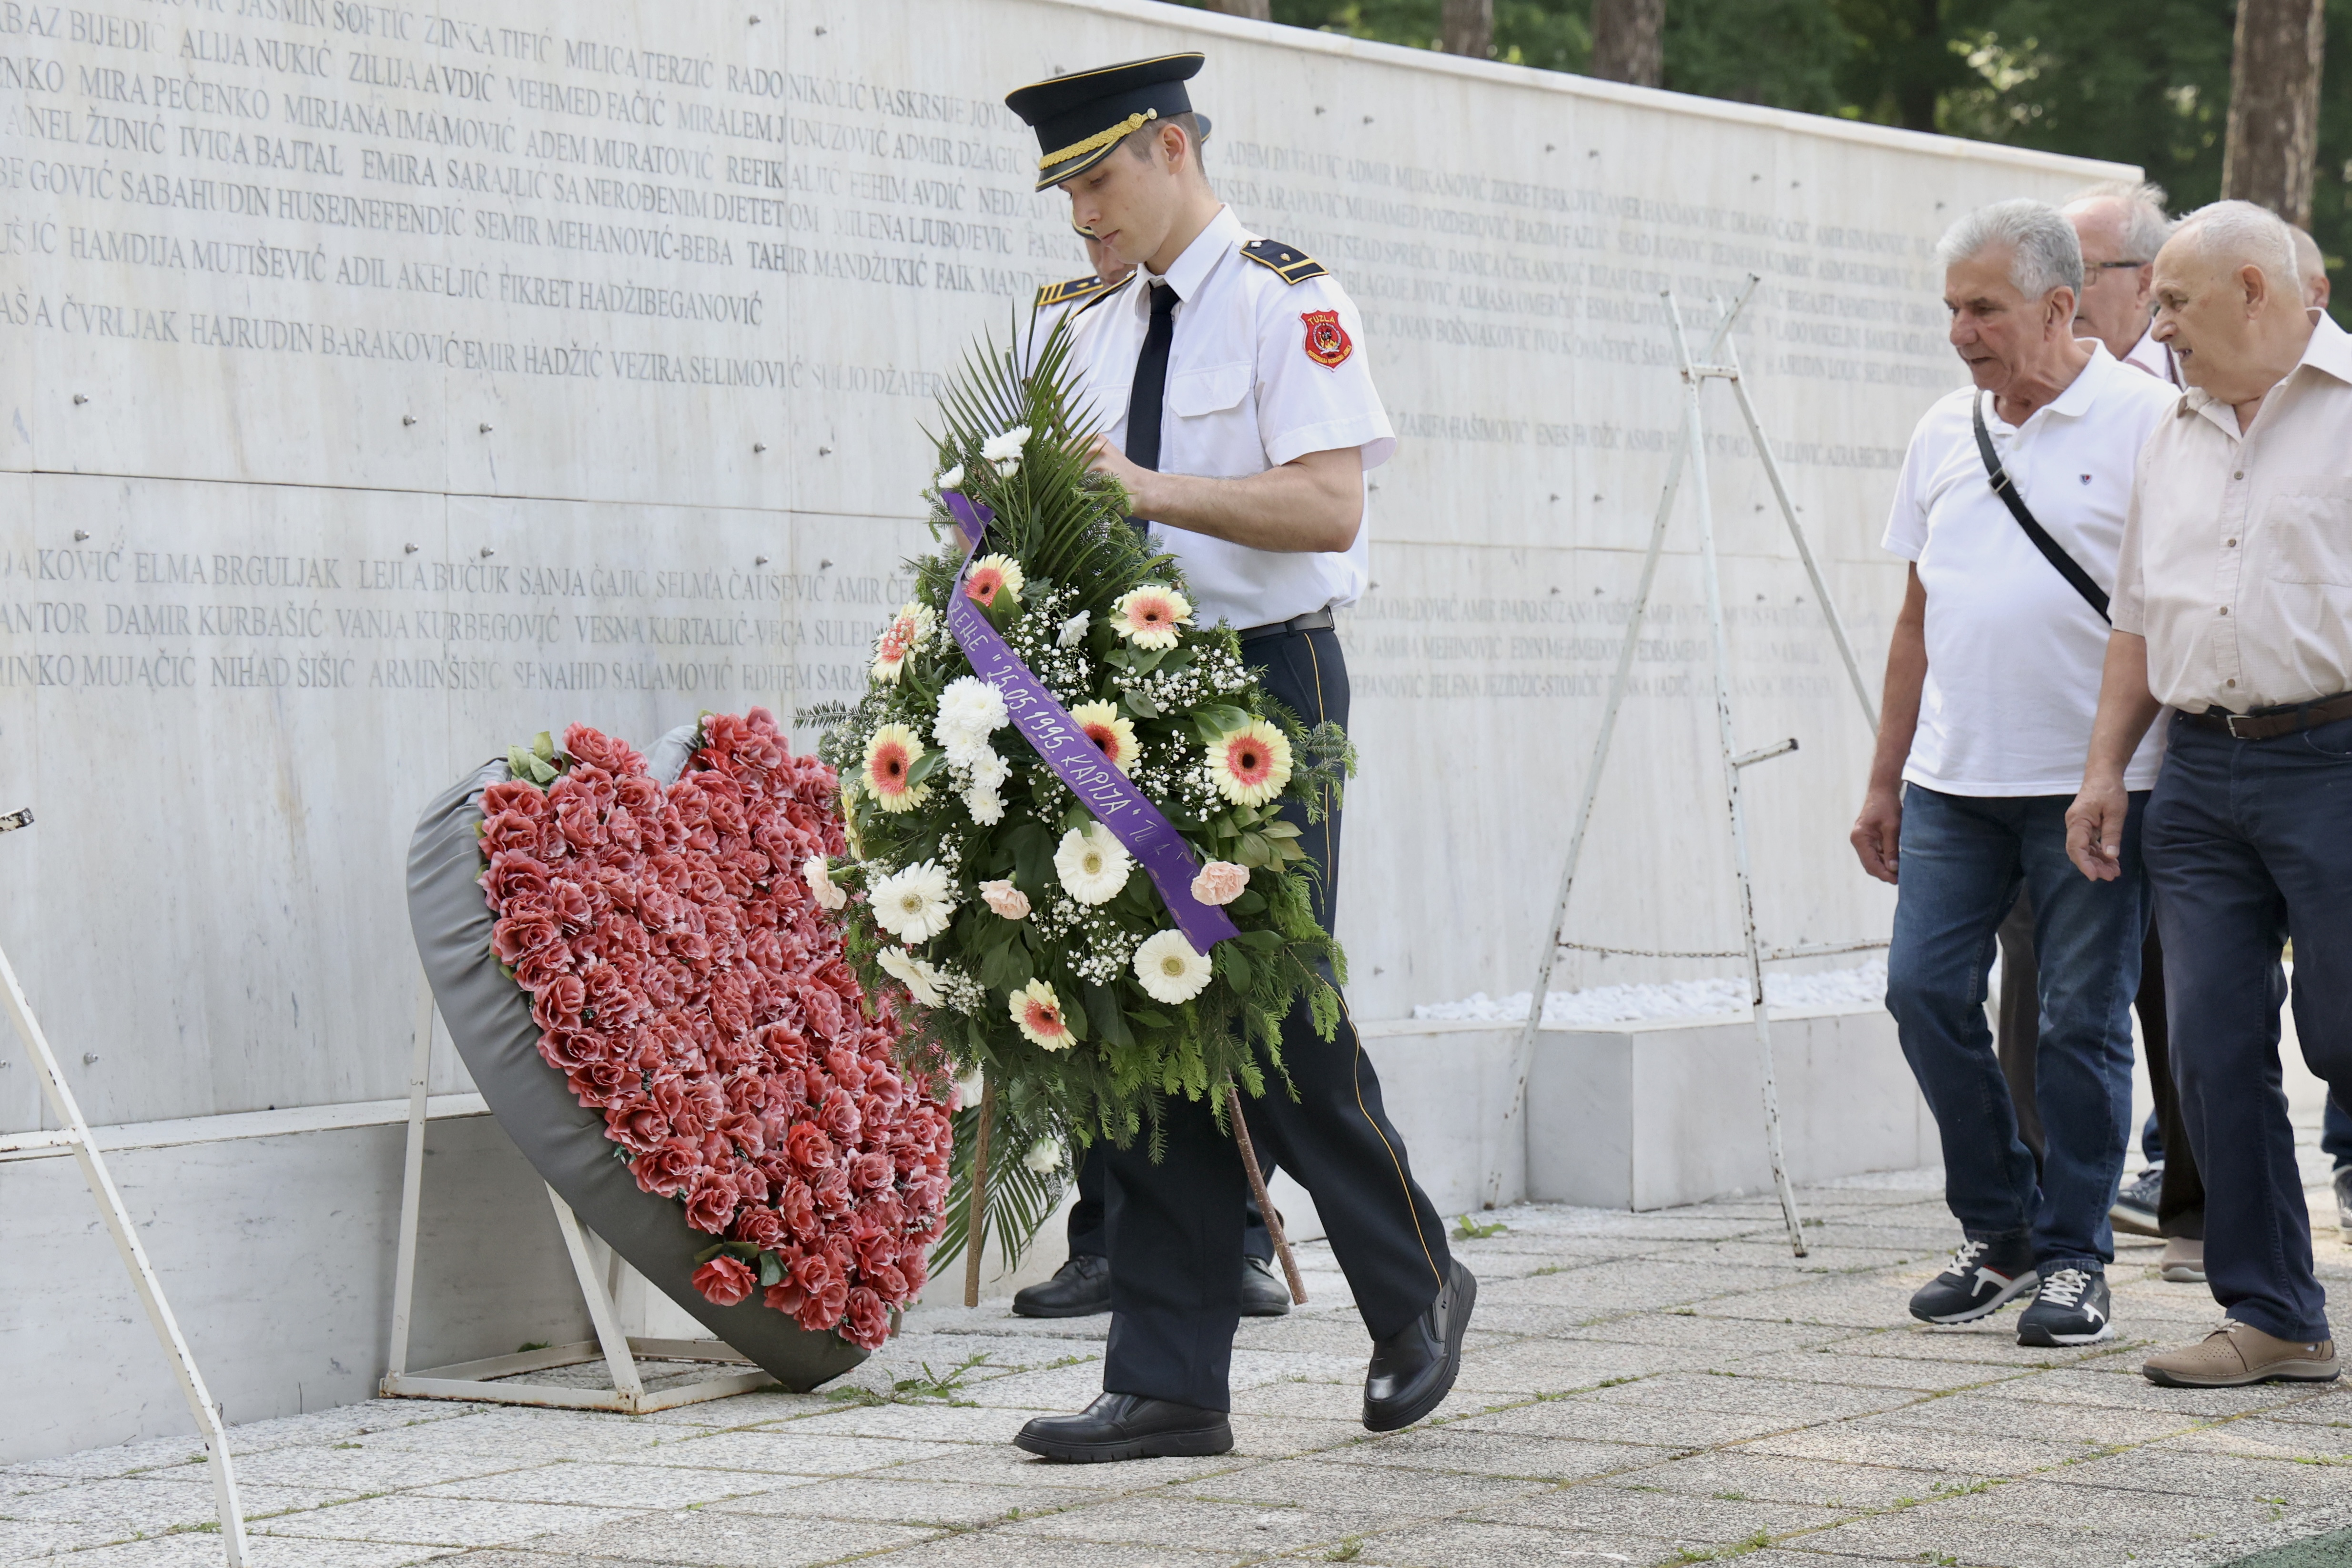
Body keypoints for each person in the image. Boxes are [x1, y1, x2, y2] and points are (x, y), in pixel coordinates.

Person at [996, 53, 1471, 1462]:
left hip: (1263, 681)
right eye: (1064, 194)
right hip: (1114, 698)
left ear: (1171, 151)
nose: (1080, 220)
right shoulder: (1072, 324)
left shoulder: (1286, 300)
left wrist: (1148, 490)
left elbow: (1327, 507)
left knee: (1271, 1014)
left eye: (1094, 183)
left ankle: (1414, 1284)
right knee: (1137, 1021)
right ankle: (1167, 1377)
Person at [1850, 199, 2174, 1347]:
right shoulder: (1944, 432)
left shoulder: (2148, 422)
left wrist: (2108, 770)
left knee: (2079, 1021)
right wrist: (1885, 779)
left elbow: (2154, 616)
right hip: (1952, 782)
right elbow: (1914, 620)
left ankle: (2079, 1259)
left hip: (2096, 785)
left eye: (1982, 309)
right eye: (1949, 309)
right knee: (1924, 993)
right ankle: (2002, 1232)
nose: (1960, 332)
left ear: (2055, 305)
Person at [2068, 200, 2352, 1389]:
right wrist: (2106, 774)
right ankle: (2274, 1312)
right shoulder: (2168, 429)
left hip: (2337, 760)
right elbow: (2141, 614)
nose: (2155, 324)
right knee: (2210, 1051)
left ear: (2254, 288)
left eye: (2174, 301)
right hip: (2198, 771)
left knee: (2345, 1035)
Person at [1986, 185, 2203, 1286]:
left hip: (2194, 754)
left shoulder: (2191, 403)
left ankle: (2196, 1190)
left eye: (2090, 266)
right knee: (2050, 982)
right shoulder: (2004, 416)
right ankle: (2046, 1199)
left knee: (2186, 982)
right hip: (2063, 761)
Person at [2063, 181, 2182, 386]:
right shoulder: (2009, 390)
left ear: (2145, 285)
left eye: (2083, 270)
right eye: (2053, 270)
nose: (2060, 290)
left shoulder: (2200, 382)